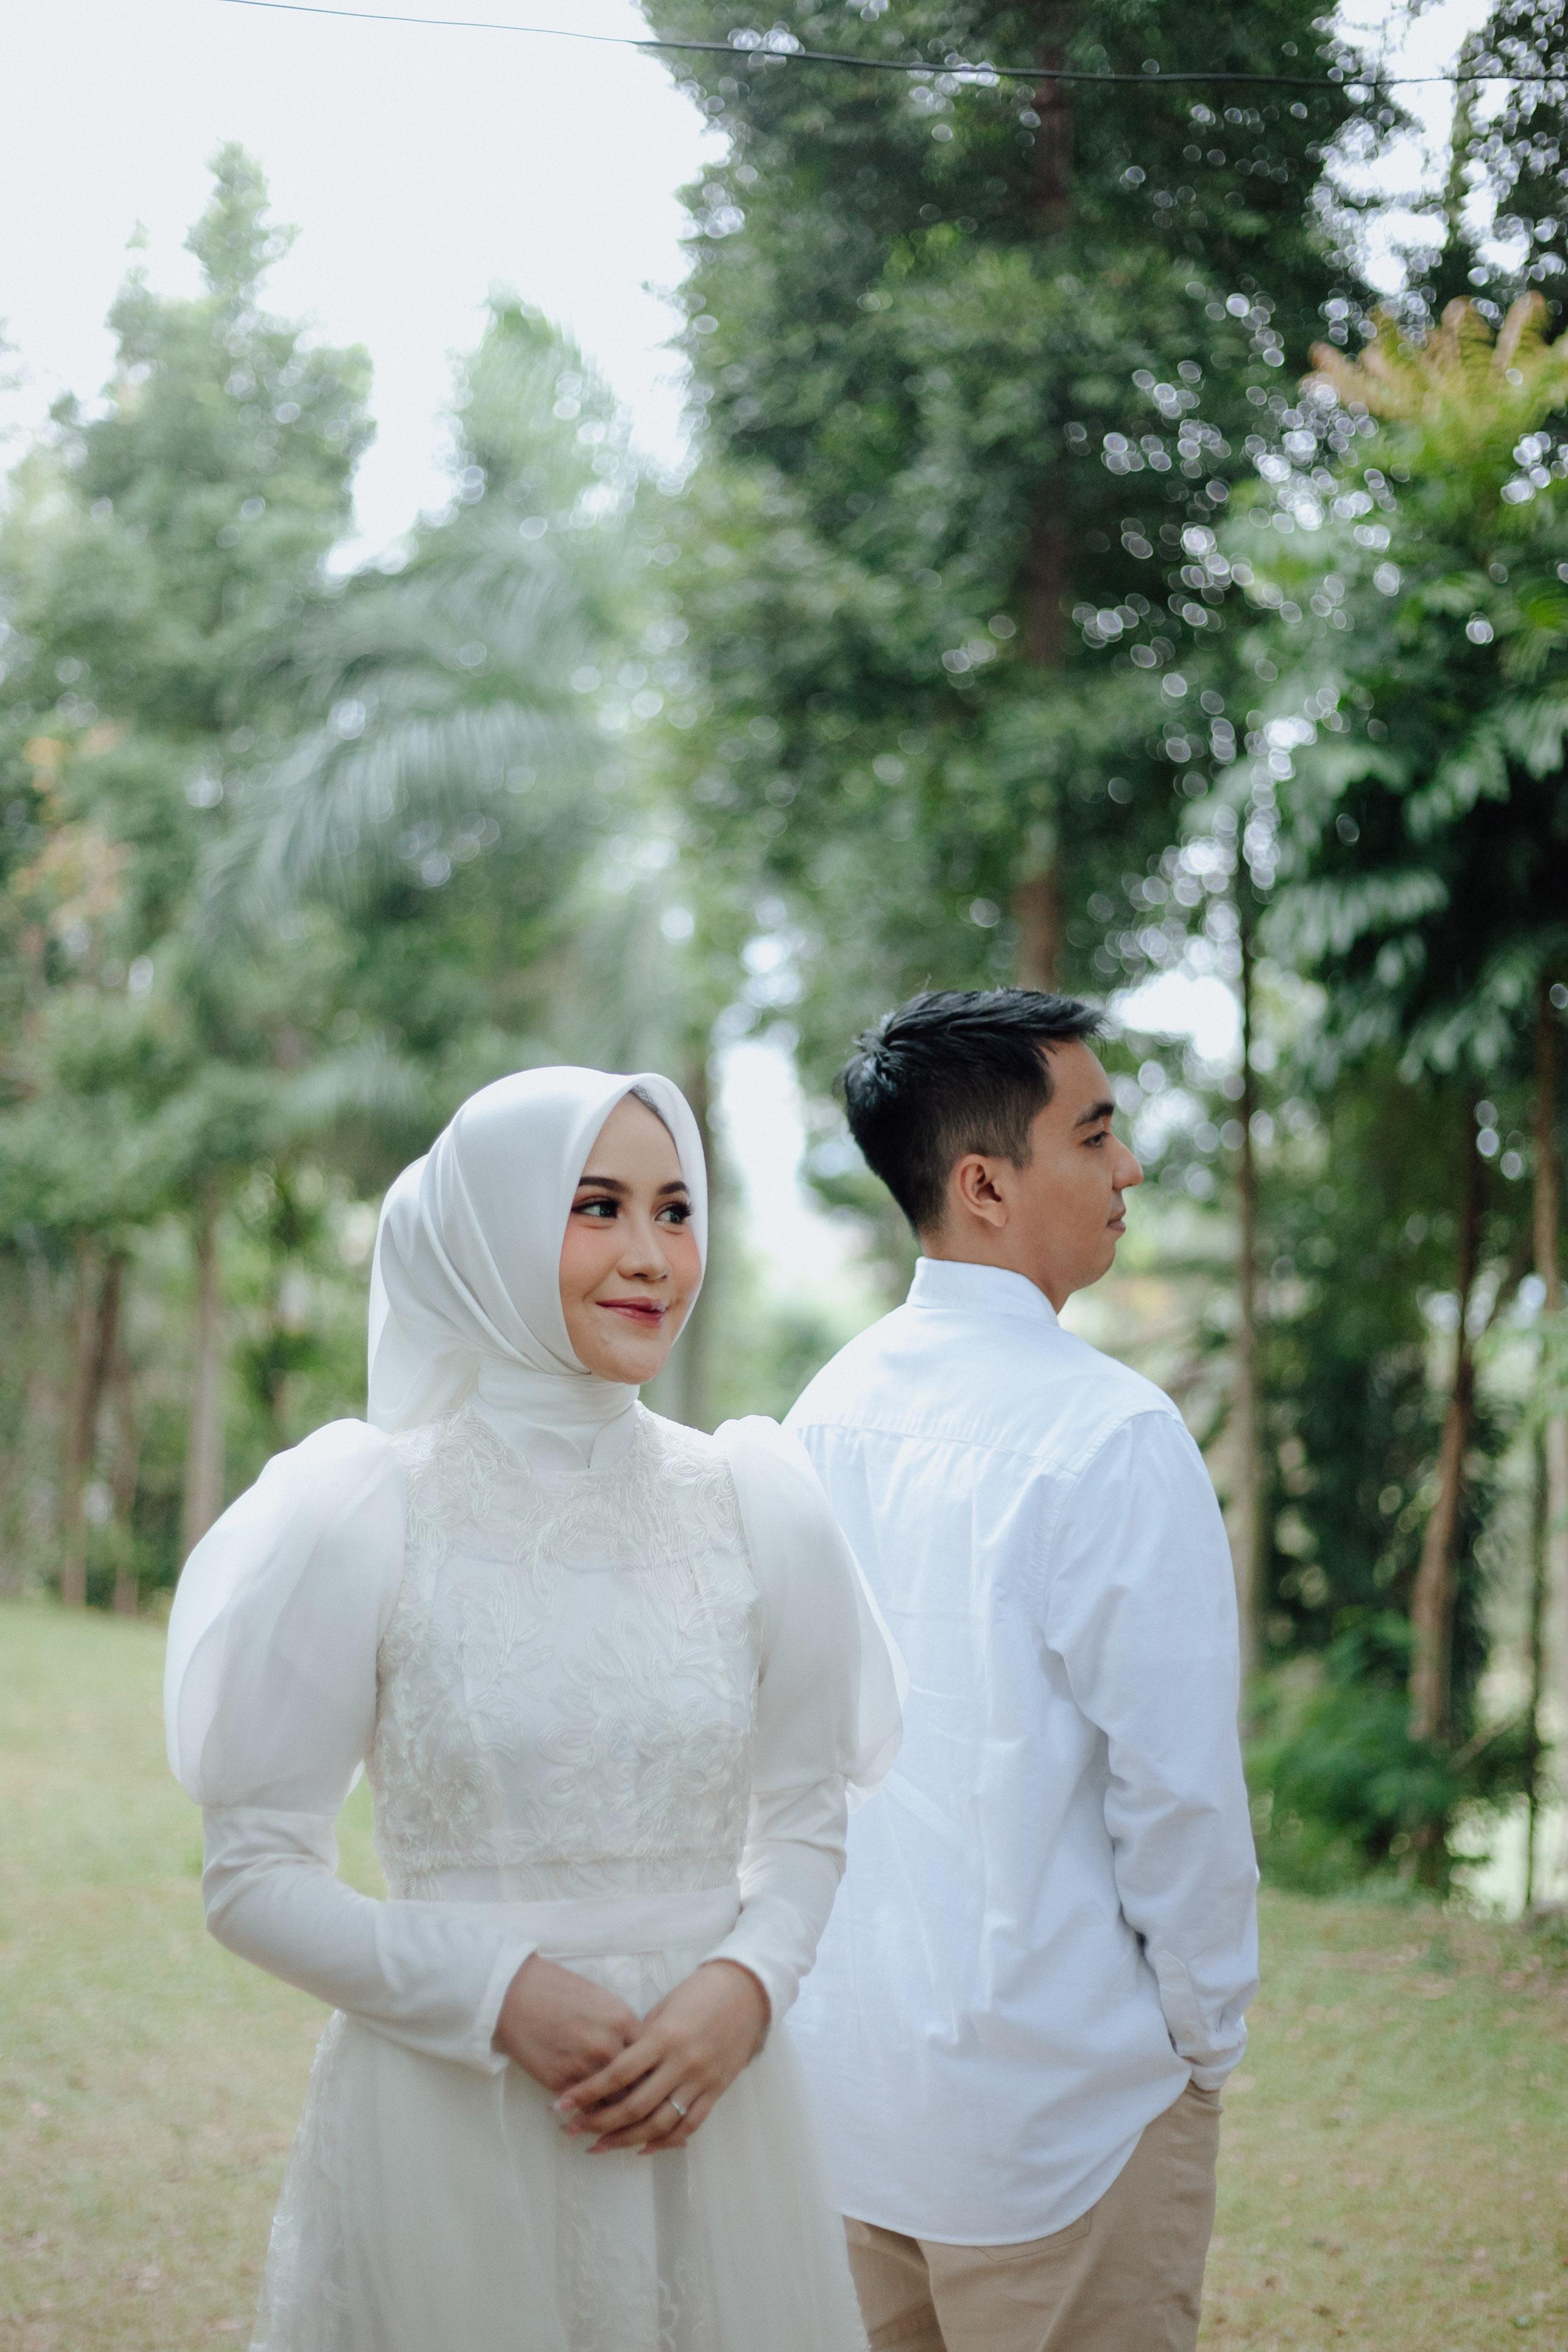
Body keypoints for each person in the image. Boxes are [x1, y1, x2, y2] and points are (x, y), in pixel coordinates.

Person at [164, 1064, 900, 2352]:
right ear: (491, 1225)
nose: (650, 1255)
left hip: (712, 2125)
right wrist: (498, 1991)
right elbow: (252, 1873)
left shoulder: (753, 1500)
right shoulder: (367, 1508)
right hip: (450, 2132)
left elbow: (802, 1813)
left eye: (675, 1210)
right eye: (596, 1205)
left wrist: (746, 1984)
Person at [785, 989, 1259, 2352]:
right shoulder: (1113, 1433)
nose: (1130, 1167)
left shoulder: (823, 1412)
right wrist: (1203, 2042)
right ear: (984, 1184)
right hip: (1064, 2120)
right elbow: (1177, 1793)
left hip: (846, 2105)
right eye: (1095, 1134)